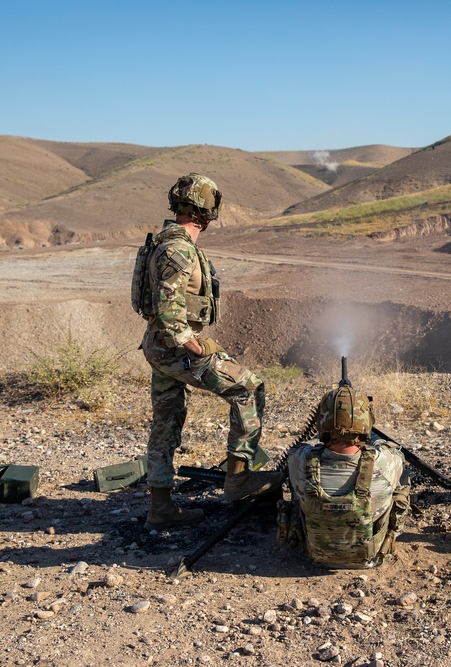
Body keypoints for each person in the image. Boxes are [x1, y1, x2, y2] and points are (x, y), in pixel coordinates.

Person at [140, 173, 282, 530]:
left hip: (158, 348)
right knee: (249, 388)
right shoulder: (178, 249)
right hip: (175, 348)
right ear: (207, 210)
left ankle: (160, 507)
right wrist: (197, 345)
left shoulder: (165, 242)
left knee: (166, 421)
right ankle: (238, 480)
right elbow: (170, 313)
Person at [285, 385, 410, 568]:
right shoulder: (385, 462)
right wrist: (374, 439)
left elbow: (300, 448)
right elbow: (397, 455)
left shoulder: (300, 460)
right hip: (369, 555)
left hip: (315, 552)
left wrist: (321, 439)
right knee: (403, 483)